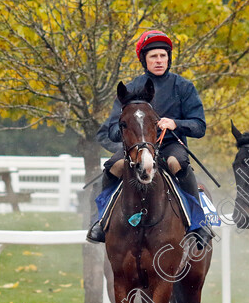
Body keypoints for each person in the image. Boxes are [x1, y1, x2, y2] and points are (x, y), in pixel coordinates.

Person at [86, 29, 213, 247]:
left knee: (178, 163)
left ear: (169, 58)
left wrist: (176, 123)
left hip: (170, 146)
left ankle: (199, 224)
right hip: (136, 148)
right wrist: (126, 133)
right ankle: (101, 221)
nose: (159, 60)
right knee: (112, 166)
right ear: (144, 60)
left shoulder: (183, 87)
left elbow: (199, 126)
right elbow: (112, 129)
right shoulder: (131, 88)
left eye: (163, 55)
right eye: (153, 56)